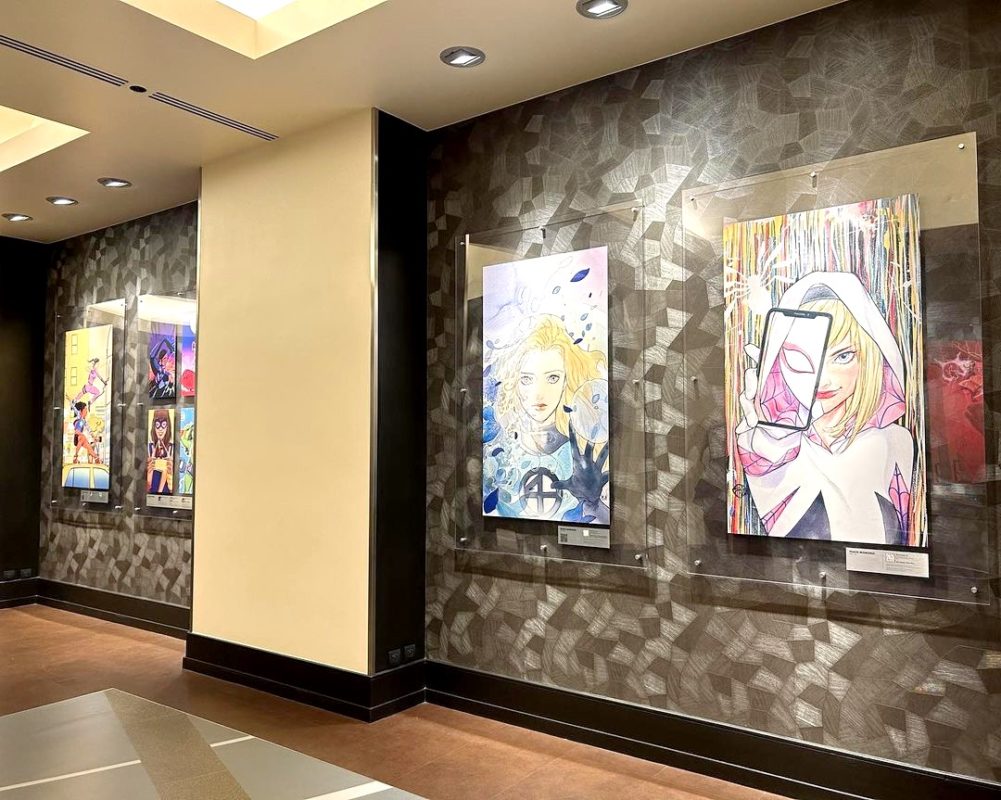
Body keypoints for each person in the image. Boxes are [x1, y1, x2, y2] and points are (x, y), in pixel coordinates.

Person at [734, 272, 917, 545]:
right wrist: (771, 434)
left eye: (842, 356)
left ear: (870, 357)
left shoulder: (896, 441)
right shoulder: (770, 446)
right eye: (799, 358)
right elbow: (765, 454)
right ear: (776, 361)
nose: (822, 378)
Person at [484, 314, 610, 523]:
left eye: (552, 378)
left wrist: (592, 501)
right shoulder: (498, 449)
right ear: (513, 383)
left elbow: (611, 527)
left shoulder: (585, 453)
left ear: (567, 380)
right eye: (527, 379)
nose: (539, 394)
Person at [147, 409, 173, 494]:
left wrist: (159, 492)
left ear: (168, 426)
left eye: (164, 424)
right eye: (157, 425)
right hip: (151, 490)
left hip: (165, 492)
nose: (160, 429)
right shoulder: (149, 448)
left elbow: (166, 472)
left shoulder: (171, 448)